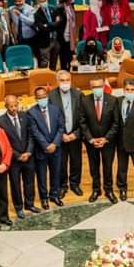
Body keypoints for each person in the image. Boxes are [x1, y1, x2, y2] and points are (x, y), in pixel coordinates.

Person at [0, 94, 40, 219]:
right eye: (11, 106)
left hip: (28, 156)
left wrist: (28, 152)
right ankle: (19, 207)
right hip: (13, 159)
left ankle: (29, 204)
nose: (14, 108)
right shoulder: (0, 121)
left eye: (15, 105)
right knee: (15, 184)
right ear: (6, 106)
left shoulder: (25, 115)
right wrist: (17, 155)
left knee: (29, 182)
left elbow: (31, 136)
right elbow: (4, 143)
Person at [80, 76, 119, 204]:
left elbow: (116, 123)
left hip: (108, 142)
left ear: (103, 87)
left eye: (99, 86)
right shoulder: (84, 101)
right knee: (94, 168)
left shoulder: (113, 100)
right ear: (91, 88)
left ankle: (109, 190)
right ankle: (96, 189)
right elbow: (82, 122)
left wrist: (106, 138)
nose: (97, 89)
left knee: (108, 167)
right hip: (92, 142)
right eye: (94, 87)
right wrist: (91, 139)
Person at [28, 87, 65, 209]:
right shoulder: (31, 112)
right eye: (39, 97)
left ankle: (54, 194)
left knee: (56, 173)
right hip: (41, 150)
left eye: (44, 96)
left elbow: (61, 127)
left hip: (56, 149)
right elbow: (35, 132)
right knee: (42, 176)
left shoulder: (55, 109)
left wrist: (54, 144)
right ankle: (44, 198)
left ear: (47, 96)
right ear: (35, 99)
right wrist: (46, 145)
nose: (42, 99)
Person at [49, 70, 84, 198]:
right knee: (61, 163)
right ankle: (63, 186)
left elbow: (84, 117)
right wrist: (61, 135)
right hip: (60, 137)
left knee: (76, 162)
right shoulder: (51, 96)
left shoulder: (79, 95)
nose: (65, 83)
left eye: (67, 80)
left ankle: (75, 184)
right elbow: (50, 119)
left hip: (75, 135)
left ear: (71, 80)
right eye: (62, 80)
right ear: (57, 81)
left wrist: (76, 134)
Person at [33, 0, 59, 69]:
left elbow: (58, 23)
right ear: (38, 2)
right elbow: (42, 29)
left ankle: (53, 75)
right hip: (44, 41)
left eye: (44, 1)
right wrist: (53, 24)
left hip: (55, 39)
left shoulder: (52, 8)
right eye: (41, 1)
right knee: (44, 63)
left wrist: (47, 25)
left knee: (54, 62)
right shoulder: (36, 14)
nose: (43, 3)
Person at [54, 0, 76, 70]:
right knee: (63, 59)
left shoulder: (71, 6)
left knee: (70, 58)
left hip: (71, 36)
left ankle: (70, 73)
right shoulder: (59, 8)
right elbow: (57, 23)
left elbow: (72, 20)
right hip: (62, 36)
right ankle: (63, 73)